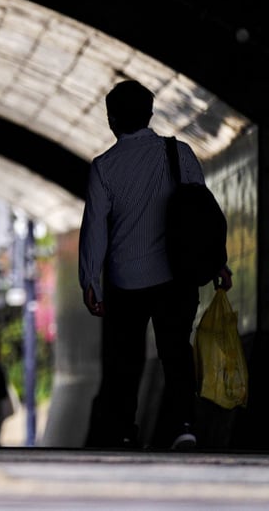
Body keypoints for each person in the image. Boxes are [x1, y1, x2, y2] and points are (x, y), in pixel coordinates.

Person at [79, 79, 233, 450]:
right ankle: (184, 425)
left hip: (125, 279)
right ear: (150, 115)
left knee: (126, 361)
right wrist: (219, 264)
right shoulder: (179, 154)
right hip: (175, 276)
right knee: (176, 351)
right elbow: (203, 215)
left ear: (111, 120)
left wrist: (91, 282)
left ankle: (126, 430)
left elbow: (95, 229)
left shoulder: (104, 168)